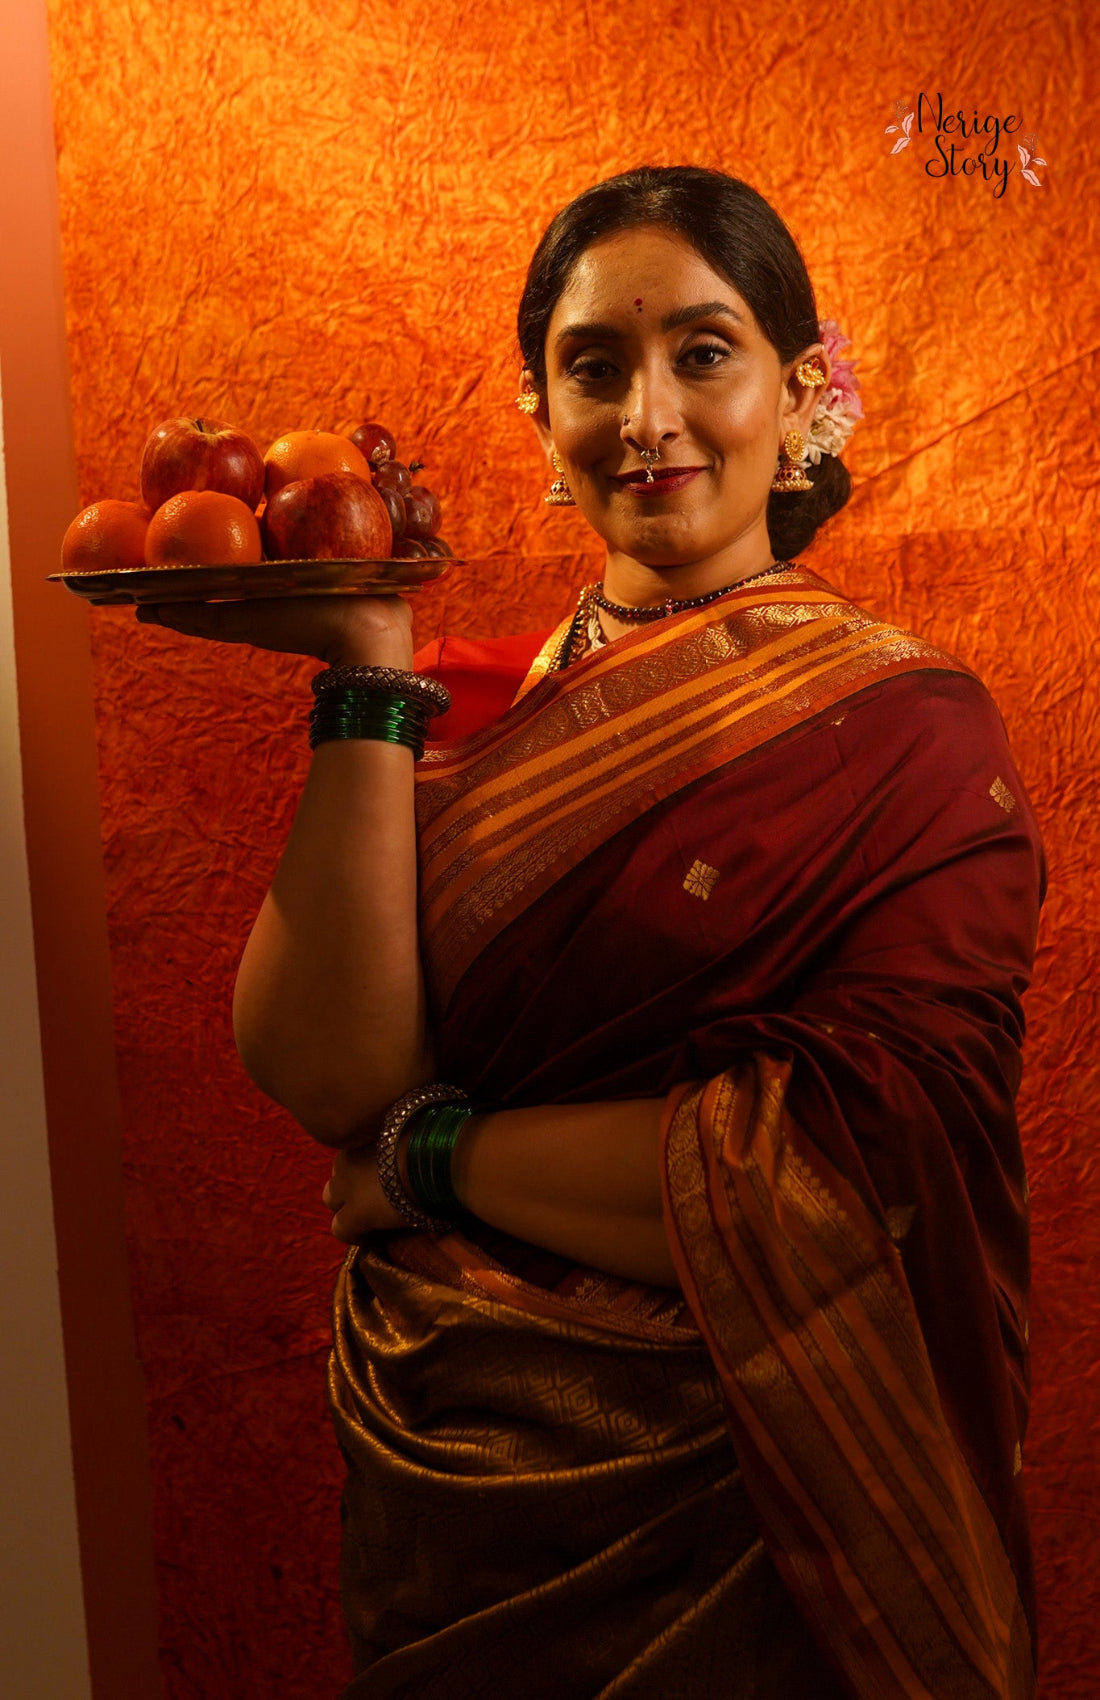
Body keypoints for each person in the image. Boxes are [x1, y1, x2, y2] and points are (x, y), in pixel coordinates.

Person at [139, 166, 1043, 1699]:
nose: (647, 418)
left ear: (803, 386)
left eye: (703, 352)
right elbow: (324, 1075)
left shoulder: (917, 738)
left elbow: (856, 1162)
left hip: (762, 1498)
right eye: (594, 365)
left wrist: (433, 1162)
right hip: (451, 1494)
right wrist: (368, 658)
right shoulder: (462, 705)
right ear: (536, 410)